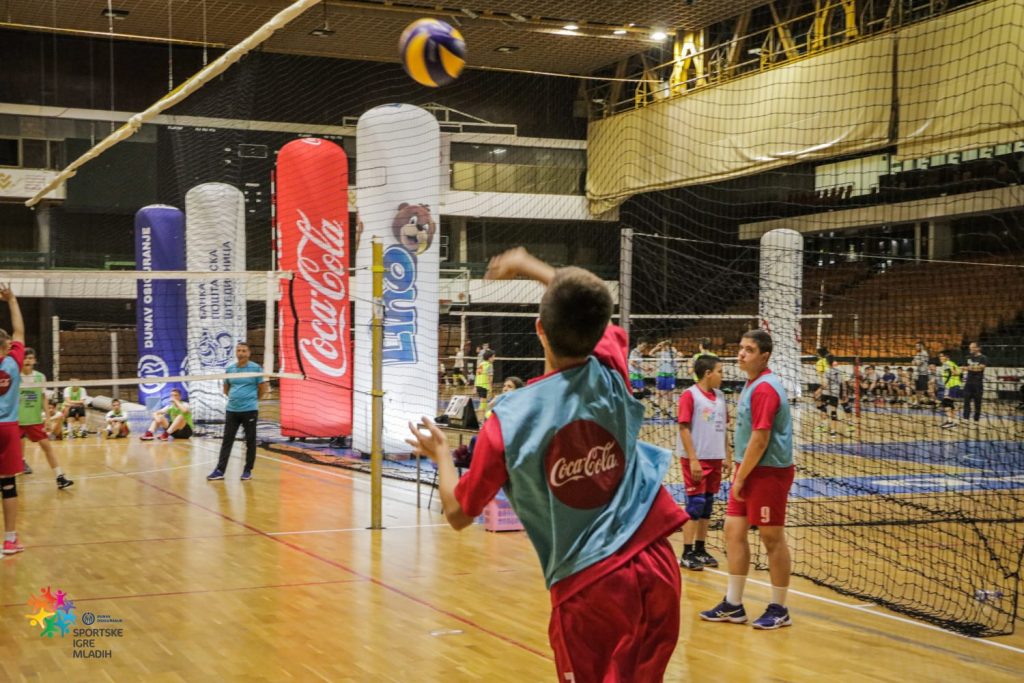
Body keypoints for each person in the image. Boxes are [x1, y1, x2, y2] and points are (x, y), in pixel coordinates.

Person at [406, 248, 687, 681]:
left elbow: (459, 513)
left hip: (591, 586)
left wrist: (442, 454)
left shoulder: (509, 419)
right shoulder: (611, 372)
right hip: (657, 563)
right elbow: (586, 302)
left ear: (539, 328)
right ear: (600, 331)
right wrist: (530, 266)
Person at [701, 329, 794, 630]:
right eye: (741, 348)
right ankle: (733, 603)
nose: (741, 354)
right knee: (733, 531)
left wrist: (740, 478)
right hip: (748, 468)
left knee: (771, 538)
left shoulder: (766, 388)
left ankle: (780, 608)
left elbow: (760, 439)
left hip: (768, 472)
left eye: (749, 350)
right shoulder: (751, 383)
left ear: (764, 356)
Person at [677, 354, 731, 571]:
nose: (722, 376)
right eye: (720, 371)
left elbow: (724, 428)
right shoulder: (689, 395)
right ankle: (687, 552)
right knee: (695, 504)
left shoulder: (720, 396)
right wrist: (693, 459)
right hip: (695, 459)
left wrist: (727, 454)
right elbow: (683, 428)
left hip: (715, 458)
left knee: (707, 504)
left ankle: (700, 548)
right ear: (708, 373)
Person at [207, 342, 269, 481]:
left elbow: (262, 389)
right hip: (232, 410)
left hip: (250, 410)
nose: (241, 353)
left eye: (244, 351)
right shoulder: (230, 369)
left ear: (249, 353)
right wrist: (236, 398)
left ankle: (247, 470)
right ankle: (220, 470)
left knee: (250, 441)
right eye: (239, 350)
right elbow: (226, 389)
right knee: (227, 441)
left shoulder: (255, 368)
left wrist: (252, 400)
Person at [18, 348, 73, 489]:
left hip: (34, 420)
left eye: (30, 358)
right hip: (16, 420)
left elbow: (43, 398)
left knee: (47, 447)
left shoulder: (40, 377)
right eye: (25, 358)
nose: (28, 360)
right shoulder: (15, 376)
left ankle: (60, 477)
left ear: (35, 360)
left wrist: (48, 418)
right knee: (7, 451)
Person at [0, 284, 27, 554]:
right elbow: (19, 331)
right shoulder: (13, 362)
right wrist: (12, 300)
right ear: (6, 347)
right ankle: (9, 539)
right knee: (7, 485)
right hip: (8, 429)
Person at [817, 358, 853, 438]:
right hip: (834, 390)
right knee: (826, 407)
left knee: (844, 405)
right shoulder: (835, 370)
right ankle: (825, 426)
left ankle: (849, 423)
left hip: (833, 390)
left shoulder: (831, 370)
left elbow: (844, 381)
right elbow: (843, 382)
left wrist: (818, 391)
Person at [962, 341, 988, 424]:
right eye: (970, 347)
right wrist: (971, 368)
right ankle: (966, 418)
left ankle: (976, 419)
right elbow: (963, 367)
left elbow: (980, 368)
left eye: (973, 347)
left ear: (978, 348)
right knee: (966, 402)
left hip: (978, 384)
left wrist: (969, 368)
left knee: (977, 403)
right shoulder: (968, 357)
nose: (971, 349)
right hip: (968, 383)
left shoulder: (983, 358)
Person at [938, 350, 962, 429]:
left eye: (941, 356)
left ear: (946, 357)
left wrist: (953, 372)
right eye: (940, 356)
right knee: (949, 404)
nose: (940, 358)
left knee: (946, 403)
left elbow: (957, 372)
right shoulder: (949, 364)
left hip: (952, 385)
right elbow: (959, 371)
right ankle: (951, 421)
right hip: (951, 386)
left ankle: (952, 422)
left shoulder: (948, 363)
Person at [474, 349, 495, 414]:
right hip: (485, 386)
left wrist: (475, 386)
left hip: (478, 385)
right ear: (489, 358)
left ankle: (483, 413)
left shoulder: (481, 364)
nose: (494, 358)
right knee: (483, 402)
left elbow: (477, 375)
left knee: (483, 401)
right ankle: (481, 414)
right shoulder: (490, 365)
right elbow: (490, 378)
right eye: (493, 357)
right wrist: (490, 388)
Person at [911, 341, 931, 407]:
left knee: (922, 389)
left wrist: (916, 362)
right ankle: (918, 402)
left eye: (917, 346)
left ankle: (927, 401)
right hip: (917, 374)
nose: (916, 347)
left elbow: (919, 363)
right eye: (916, 346)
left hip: (923, 374)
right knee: (917, 389)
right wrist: (915, 362)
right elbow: (912, 362)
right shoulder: (917, 354)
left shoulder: (924, 353)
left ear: (922, 346)